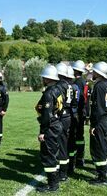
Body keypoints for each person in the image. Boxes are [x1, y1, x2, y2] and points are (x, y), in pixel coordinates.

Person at [35, 65, 63, 193]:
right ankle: (54, 182)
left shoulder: (48, 93)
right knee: (54, 154)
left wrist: (42, 132)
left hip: (50, 127)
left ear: (47, 78)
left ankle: (52, 185)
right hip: (56, 123)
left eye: (43, 77)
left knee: (48, 155)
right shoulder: (58, 89)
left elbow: (46, 115)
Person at [89, 61, 107, 186]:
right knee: (102, 146)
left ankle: (102, 178)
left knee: (99, 148)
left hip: (100, 121)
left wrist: (94, 125)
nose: (92, 73)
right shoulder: (104, 84)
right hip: (104, 119)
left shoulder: (99, 86)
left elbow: (98, 108)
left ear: (98, 73)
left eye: (94, 71)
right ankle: (103, 173)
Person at [55, 62, 74, 181]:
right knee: (64, 144)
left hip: (62, 116)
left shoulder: (59, 86)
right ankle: (64, 170)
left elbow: (58, 103)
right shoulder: (68, 85)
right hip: (68, 116)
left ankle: (62, 173)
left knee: (61, 145)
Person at [70, 60, 87, 167]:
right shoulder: (84, 81)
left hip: (78, 113)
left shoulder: (77, 83)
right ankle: (80, 158)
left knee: (75, 136)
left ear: (75, 70)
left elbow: (76, 100)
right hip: (82, 112)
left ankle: (76, 159)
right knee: (80, 136)